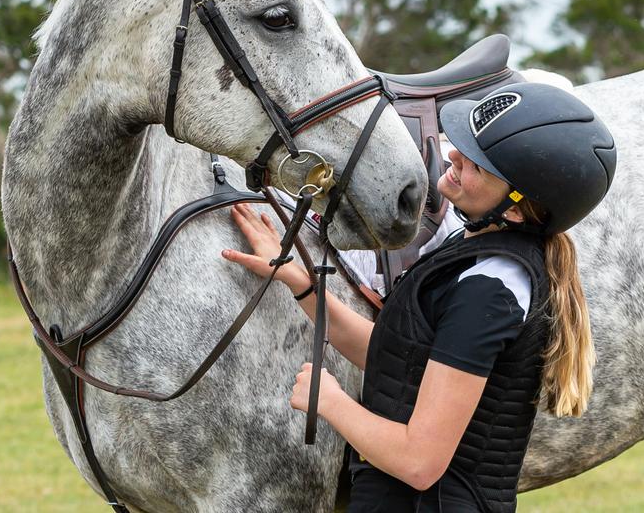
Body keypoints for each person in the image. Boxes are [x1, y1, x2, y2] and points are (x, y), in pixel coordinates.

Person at [222, 82, 616, 512]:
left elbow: (419, 462)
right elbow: (400, 358)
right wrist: (299, 282)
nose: (453, 156)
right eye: (463, 146)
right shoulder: (480, 261)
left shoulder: (489, 292)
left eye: (478, 166)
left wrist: (331, 402)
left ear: (516, 209)